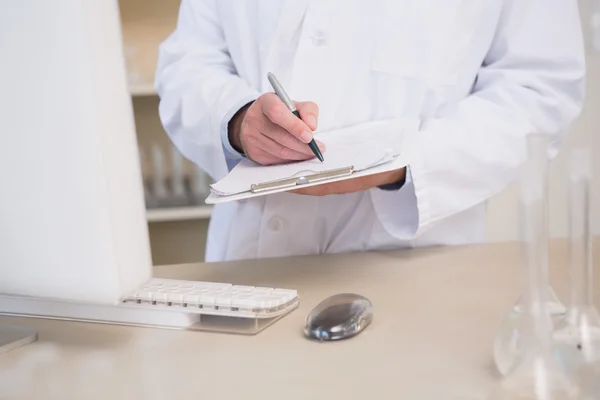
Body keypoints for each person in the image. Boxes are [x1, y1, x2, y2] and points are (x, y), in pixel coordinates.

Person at [155, 1, 585, 262]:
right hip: (247, 265)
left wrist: (403, 162)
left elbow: (539, 89)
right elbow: (187, 63)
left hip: (412, 269)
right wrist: (237, 118)